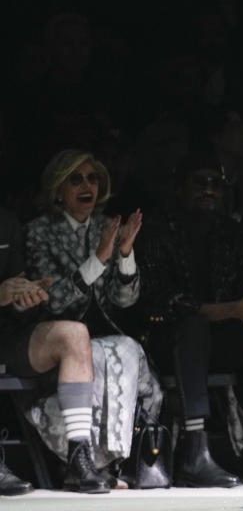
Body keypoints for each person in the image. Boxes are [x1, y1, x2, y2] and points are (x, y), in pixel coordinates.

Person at [137, 150, 243, 487]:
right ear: (181, 188)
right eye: (200, 183)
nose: (210, 190)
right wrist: (231, 310)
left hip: (219, 340)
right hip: (164, 342)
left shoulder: (231, 231)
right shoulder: (157, 230)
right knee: (192, 324)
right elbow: (161, 303)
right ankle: (195, 453)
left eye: (216, 184)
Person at [24, 150, 162, 488]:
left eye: (92, 178)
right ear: (58, 189)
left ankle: (121, 464)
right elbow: (53, 301)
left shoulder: (107, 226)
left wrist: (125, 252)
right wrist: (99, 258)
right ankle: (83, 463)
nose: (87, 186)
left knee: (128, 351)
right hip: (56, 338)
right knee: (100, 354)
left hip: (104, 331)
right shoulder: (39, 231)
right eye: (76, 179)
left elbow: (125, 300)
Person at [1, 207, 107, 495]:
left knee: (73, 334)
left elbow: (13, 295)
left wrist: (24, 297)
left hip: (6, 337)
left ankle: (78, 458)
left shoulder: (6, 220)